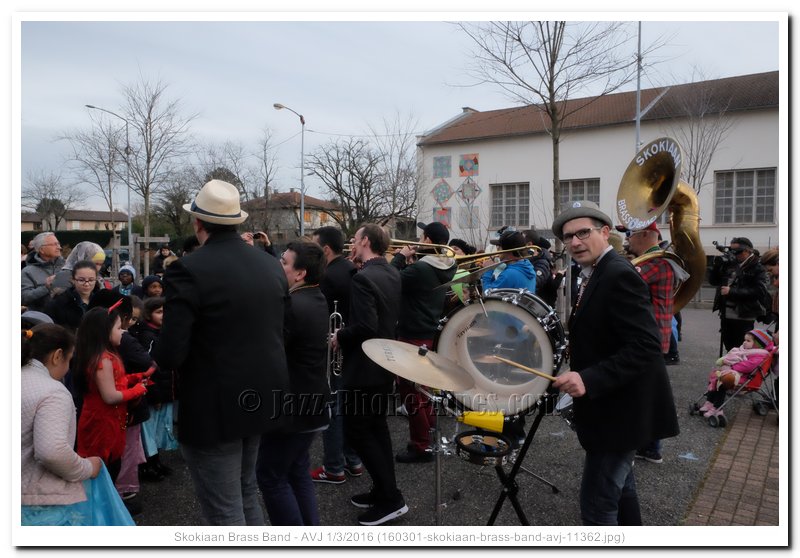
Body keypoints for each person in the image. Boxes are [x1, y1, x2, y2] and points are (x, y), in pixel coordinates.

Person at [151, 179, 291, 526]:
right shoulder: (270, 264)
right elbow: (279, 329)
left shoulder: (188, 269)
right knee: (245, 493)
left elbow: (170, 353)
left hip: (215, 405)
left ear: (197, 222)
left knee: (224, 509)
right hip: (261, 395)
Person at [550, 200, 679, 526]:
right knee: (622, 492)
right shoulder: (595, 273)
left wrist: (589, 378)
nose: (575, 242)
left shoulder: (619, 274)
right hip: (613, 408)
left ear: (605, 232)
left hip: (623, 412)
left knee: (597, 505)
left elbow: (646, 345)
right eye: (568, 237)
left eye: (583, 232)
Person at [21, 323, 135, 526]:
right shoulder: (52, 392)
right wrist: (86, 467)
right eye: (69, 359)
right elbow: (52, 451)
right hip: (35, 500)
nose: (67, 369)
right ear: (57, 356)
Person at [331, 223, 407, 526]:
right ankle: (384, 490)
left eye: (355, 238)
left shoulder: (364, 278)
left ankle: (391, 499)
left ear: (364, 241)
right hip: (384, 365)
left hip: (364, 367)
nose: (352, 241)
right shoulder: (390, 272)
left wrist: (340, 335)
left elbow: (366, 326)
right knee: (377, 431)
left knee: (359, 432)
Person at [257, 242, 330, 525]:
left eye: (284, 262)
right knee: (296, 470)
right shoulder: (315, 297)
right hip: (311, 403)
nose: (278, 265)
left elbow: (270, 353)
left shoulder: (293, 305)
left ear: (300, 273)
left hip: (294, 408)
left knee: (270, 476)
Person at [390, 221, 456, 463]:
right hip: (428, 332)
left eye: (422, 236)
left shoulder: (422, 269)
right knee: (423, 391)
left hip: (413, 333)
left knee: (410, 393)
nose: (418, 239)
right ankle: (429, 436)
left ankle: (420, 445)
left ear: (427, 241)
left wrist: (399, 257)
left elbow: (390, 280)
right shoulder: (445, 264)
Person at [617, 221, 681, 465]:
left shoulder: (657, 262)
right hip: (651, 337)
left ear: (646, 234)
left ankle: (641, 447)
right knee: (646, 393)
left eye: (631, 235)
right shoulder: (653, 260)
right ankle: (650, 448)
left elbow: (624, 281)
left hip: (647, 338)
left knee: (640, 396)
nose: (628, 240)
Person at [308, 226, 364, 485]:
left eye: (314, 245)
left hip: (335, 350)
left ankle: (334, 467)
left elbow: (320, 315)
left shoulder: (329, 276)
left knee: (334, 408)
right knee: (347, 407)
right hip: (352, 348)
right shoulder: (352, 269)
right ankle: (352, 461)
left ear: (326, 249)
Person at [73, 306, 152, 482]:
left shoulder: (104, 355)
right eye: (118, 328)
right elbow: (110, 396)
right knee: (105, 469)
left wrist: (135, 378)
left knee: (110, 466)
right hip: (102, 424)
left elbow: (116, 381)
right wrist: (138, 389)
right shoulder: (103, 359)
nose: (123, 332)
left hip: (109, 421)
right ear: (104, 332)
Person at [709, 237, 770, 352]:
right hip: (726, 314)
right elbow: (713, 281)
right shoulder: (730, 263)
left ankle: (741, 369)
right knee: (729, 346)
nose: (733, 254)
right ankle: (730, 369)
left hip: (744, 315)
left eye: (736, 251)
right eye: (730, 250)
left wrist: (731, 291)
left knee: (742, 347)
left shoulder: (758, 267)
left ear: (747, 251)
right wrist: (716, 267)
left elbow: (760, 291)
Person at [699, 329, 774, 420]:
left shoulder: (759, 356)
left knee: (722, 382)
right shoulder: (745, 351)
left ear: (757, 345)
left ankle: (717, 408)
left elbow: (747, 366)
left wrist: (731, 366)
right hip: (737, 374)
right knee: (715, 377)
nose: (744, 342)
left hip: (744, 377)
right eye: (745, 340)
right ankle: (709, 403)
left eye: (748, 341)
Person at [44, 260, 99, 331]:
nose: (86, 284)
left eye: (91, 280)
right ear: (73, 280)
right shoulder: (59, 303)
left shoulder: (102, 301)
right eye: (81, 280)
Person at [481, 228, 536, 293]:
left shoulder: (509, 274)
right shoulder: (528, 266)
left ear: (507, 251)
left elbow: (488, 294)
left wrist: (488, 271)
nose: (497, 249)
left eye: (499, 247)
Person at [22, 232, 65, 311]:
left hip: (66, 317)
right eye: (54, 244)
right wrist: (46, 288)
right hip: (42, 318)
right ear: (41, 249)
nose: (59, 247)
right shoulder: (27, 272)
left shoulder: (66, 267)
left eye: (58, 244)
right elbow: (24, 298)